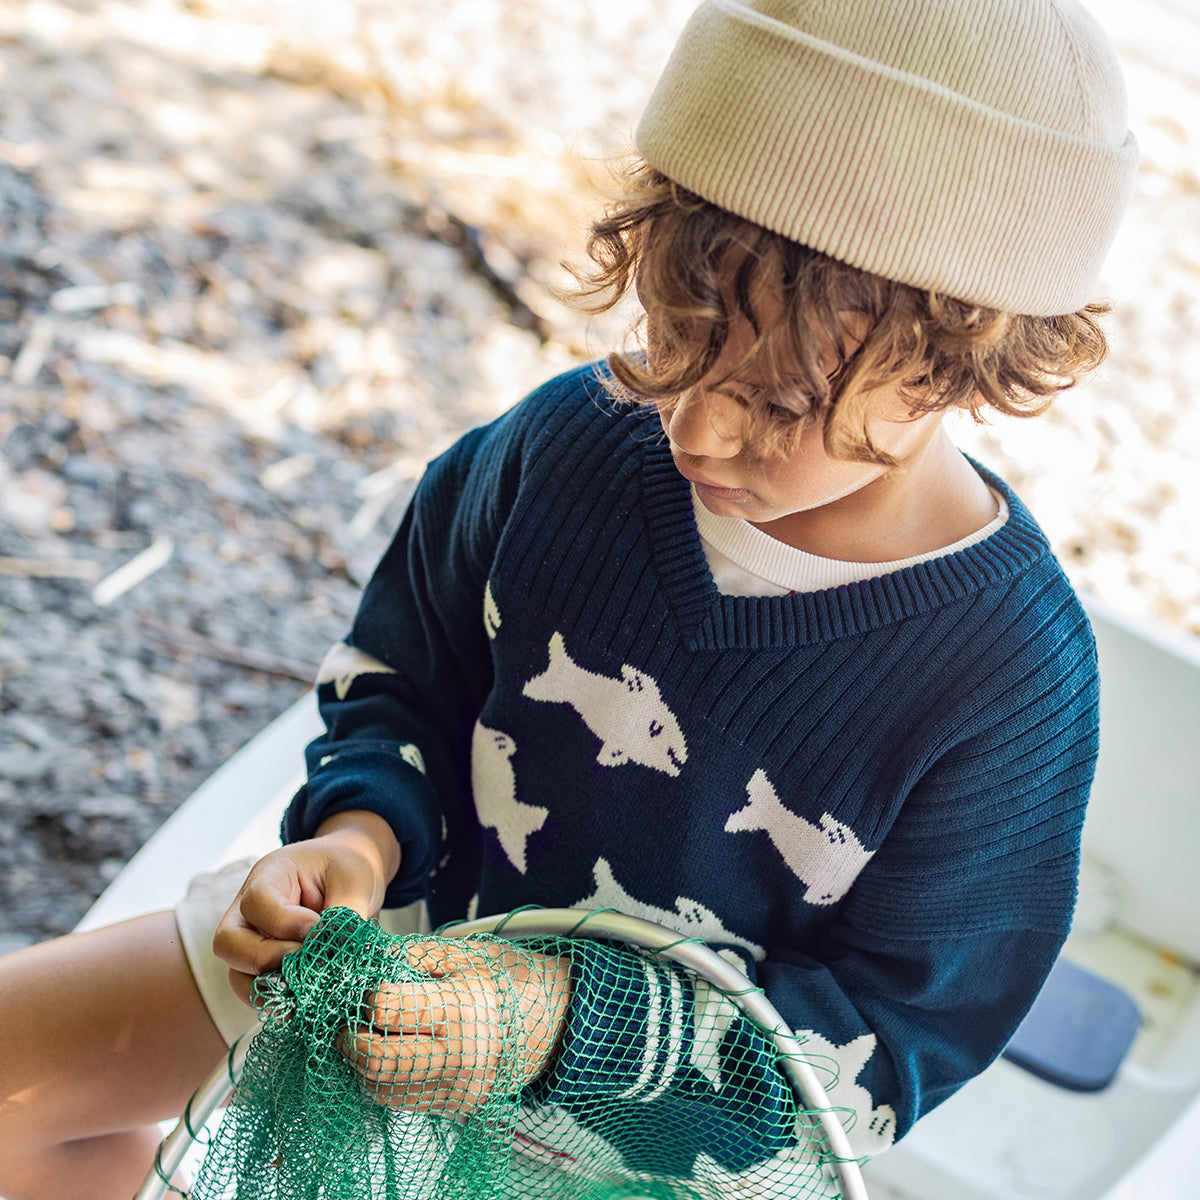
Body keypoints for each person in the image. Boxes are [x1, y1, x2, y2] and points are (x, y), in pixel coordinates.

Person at [0, 0, 1139, 1197]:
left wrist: (555, 1022)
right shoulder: (567, 448)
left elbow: (894, 1047)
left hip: (637, 1131)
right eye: (675, 339)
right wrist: (359, 836)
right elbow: (403, 678)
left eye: (782, 398)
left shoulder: (1007, 677)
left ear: (968, 360)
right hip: (389, 942)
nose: (695, 426)